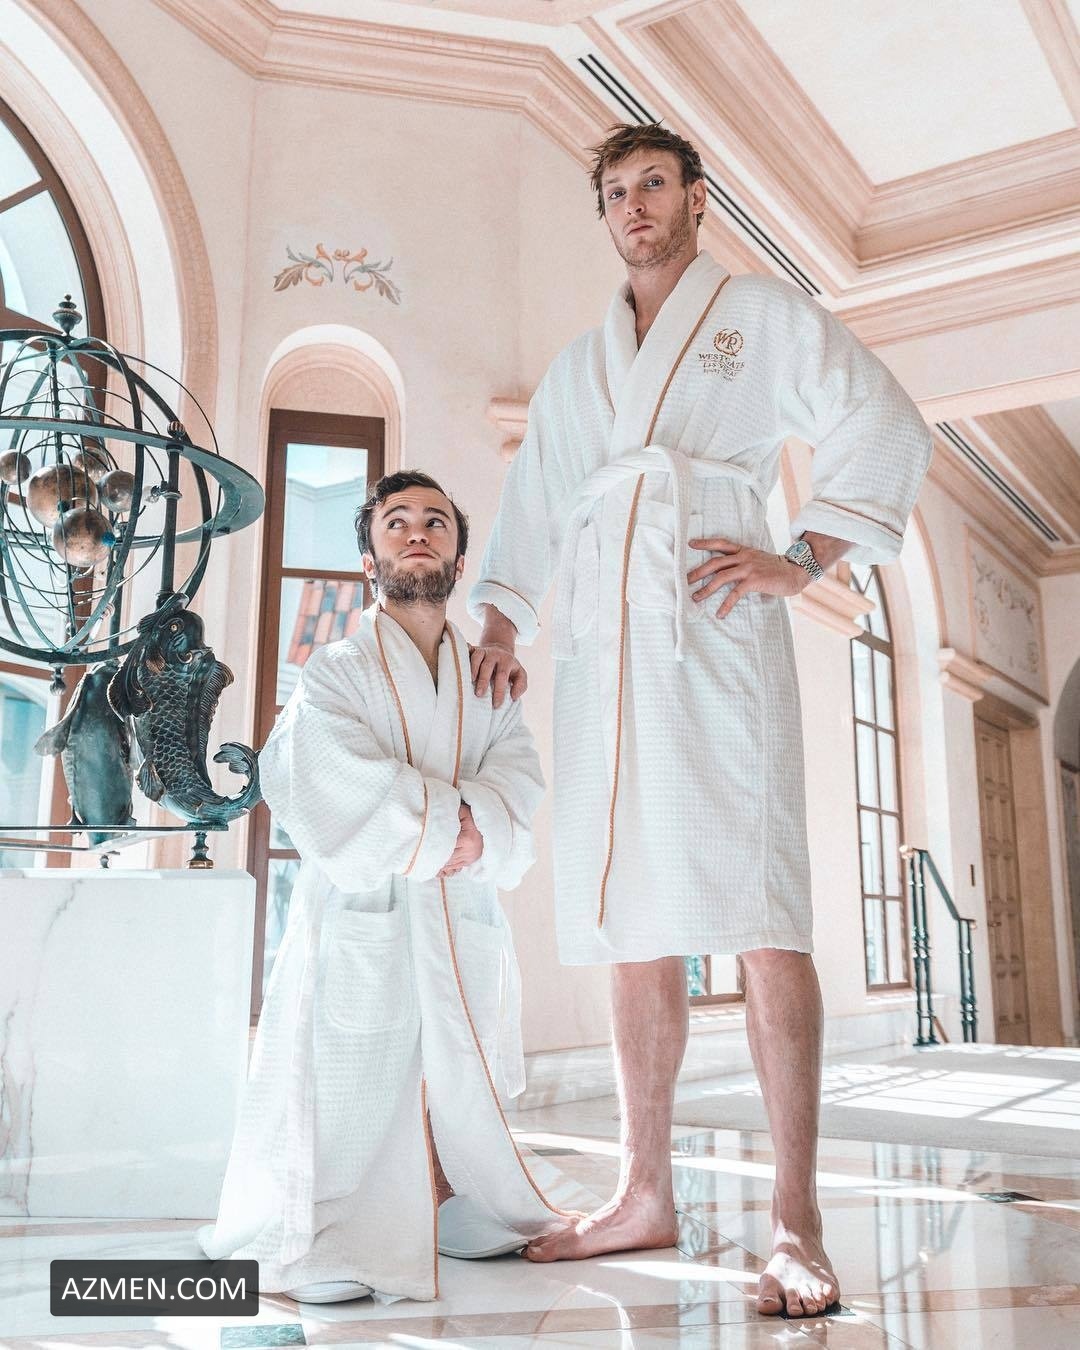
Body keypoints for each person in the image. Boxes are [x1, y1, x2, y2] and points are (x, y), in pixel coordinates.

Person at [467, 123, 932, 1319]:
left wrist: (804, 558)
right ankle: (643, 1193)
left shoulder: (759, 317)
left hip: (714, 632)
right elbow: (537, 494)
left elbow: (883, 418)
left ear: (695, 198)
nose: (633, 205)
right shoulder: (582, 365)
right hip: (606, 653)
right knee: (634, 919)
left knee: (766, 915)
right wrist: (506, 622)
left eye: (653, 184)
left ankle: (797, 1223)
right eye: (615, 192)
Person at [199, 470, 577, 1304]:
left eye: (436, 522)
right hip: (365, 909)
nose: (417, 532)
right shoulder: (335, 670)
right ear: (369, 557)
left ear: (459, 557)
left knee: (457, 1069)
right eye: (397, 521)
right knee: (350, 1075)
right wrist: (449, 828)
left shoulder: (487, 678)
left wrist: (481, 828)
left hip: (458, 906)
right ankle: (325, 1229)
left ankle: (451, 1200)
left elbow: (519, 776)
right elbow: (320, 774)